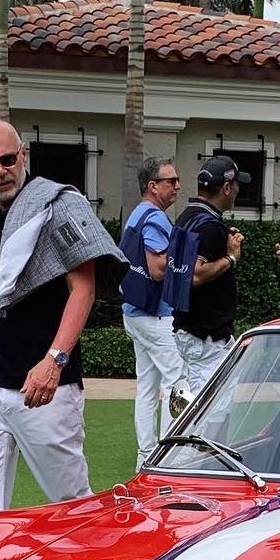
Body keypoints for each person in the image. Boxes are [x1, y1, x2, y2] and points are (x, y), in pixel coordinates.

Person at [0, 118, 125, 514]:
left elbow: (83, 288)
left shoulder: (57, 206)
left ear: (23, 155)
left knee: (70, 505)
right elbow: (5, 280)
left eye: (8, 159)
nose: (0, 171)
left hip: (48, 385)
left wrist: (55, 361)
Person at [120, 156, 187, 464]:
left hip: (134, 310)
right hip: (154, 313)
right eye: (170, 181)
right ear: (153, 186)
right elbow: (158, 269)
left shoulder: (136, 214)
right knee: (178, 380)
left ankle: (146, 456)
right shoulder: (156, 218)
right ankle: (168, 458)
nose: (177, 186)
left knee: (147, 387)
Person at [172, 155, 247, 394]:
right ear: (226, 187)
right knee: (211, 412)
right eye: (236, 186)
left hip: (189, 330)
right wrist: (231, 257)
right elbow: (194, 275)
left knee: (190, 404)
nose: (237, 191)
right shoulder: (210, 226)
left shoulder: (186, 216)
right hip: (206, 336)